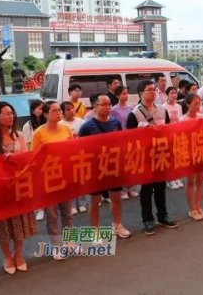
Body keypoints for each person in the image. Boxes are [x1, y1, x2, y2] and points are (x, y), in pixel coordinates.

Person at [0, 102, 38, 273]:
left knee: (20, 222)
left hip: (18, 187)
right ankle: (7, 256)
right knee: (2, 224)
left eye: (12, 113)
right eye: (6, 114)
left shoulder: (18, 136)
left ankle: (18, 254)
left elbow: (26, 161)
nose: (11, 116)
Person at [126, 81, 180, 234]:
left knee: (161, 187)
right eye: (149, 89)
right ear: (141, 93)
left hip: (161, 154)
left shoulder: (162, 110)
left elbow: (169, 131)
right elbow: (129, 139)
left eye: (154, 89)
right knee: (146, 189)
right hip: (145, 157)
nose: (153, 92)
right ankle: (148, 219)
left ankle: (163, 216)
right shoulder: (134, 113)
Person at [31, 101, 80, 261]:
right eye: (54, 111)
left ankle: (70, 242)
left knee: (67, 213)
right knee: (51, 215)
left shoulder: (66, 129)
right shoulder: (39, 133)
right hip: (49, 177)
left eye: (59, 110)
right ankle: (56, 246)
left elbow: (73, 150)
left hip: (65, 175)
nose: (58, 113)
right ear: (45, 114)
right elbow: (34, 157)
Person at [78, 94, 131, 239]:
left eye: (109, 104)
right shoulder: (87, 127)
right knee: (95, 201)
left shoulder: (115, 122)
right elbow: (79, 149)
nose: (108, 107)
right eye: (104, 104)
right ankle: (95, 231)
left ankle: (117, 225)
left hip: (114, 167)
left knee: (116, 198)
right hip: (96, 169)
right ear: (95, 107)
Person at [180, 93, 203, 219]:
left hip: (201, 152)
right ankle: (192, 210)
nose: (198, 106)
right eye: (195, 104)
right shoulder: (183, 120)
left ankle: (199, 207)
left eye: (199, 103)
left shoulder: (202, 117)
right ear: (187, 104)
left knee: (201, 182)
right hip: (189, 154)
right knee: (190, 182)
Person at [60, 101, 88, 214]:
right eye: (67, 109)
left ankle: (81, 203)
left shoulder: (81, 122)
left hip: (80, 155)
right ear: (62, 112)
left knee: (80, 180)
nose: (71, 111)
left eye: (72, 108)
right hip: (66, 157)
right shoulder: (61, 124)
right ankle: (71, 205)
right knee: (69, 181)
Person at [162, 87, 185, 189]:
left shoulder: (179, 106)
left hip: (178, 134)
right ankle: (170, 179)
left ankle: (177, 177)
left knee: (177, 157)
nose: (174, 95)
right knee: (170, 157)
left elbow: (180, 120)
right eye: (172, 93)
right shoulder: (163, 107)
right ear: (167, 95)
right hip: (168, 135)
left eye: (175, 93)